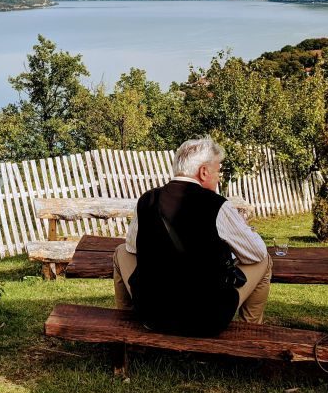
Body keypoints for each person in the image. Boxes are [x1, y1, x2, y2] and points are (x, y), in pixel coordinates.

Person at [112, 136, 271, 335]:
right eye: (217, 171)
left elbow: (132, 248)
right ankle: (251, 332)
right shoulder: (217, 204)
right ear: (203, 172)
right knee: (265, 260)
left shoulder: (148, 199)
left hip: (153, 316)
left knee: (120, 252)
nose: (218, 177)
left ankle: (126, 325)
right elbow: (256, 253)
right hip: (205, 320)